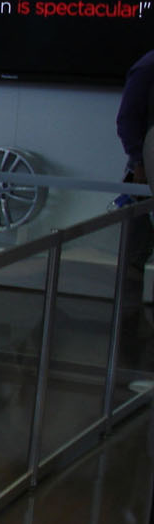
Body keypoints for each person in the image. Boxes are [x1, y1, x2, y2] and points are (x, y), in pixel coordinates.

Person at [115, 49, 154, 345]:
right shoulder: (148, 68)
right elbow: (127, 119)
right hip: (146, 175)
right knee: (135, 256)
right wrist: (140, 163)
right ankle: (128, 334)